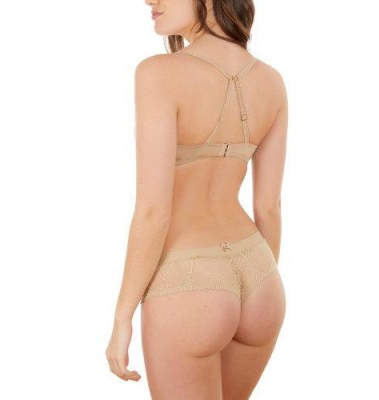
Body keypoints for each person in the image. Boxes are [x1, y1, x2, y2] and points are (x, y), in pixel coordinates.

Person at [105, 0, 288, 398]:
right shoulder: (272, 81)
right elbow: (268, 207)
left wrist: (122, 317)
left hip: (188, 283)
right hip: (260, 277)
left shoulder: (159, 73)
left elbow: (153, 212)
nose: (150, 0)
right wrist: (252, 291)